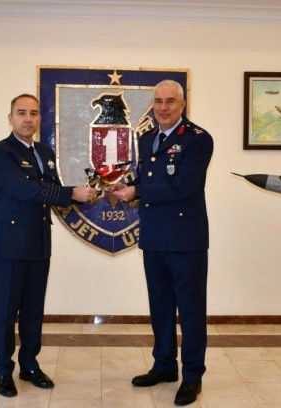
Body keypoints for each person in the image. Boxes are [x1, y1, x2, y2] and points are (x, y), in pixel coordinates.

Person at [108, 80, 213, 406]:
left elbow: (183, 186)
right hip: (153, 237)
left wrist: (138, 191)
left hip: (185, 239)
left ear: (182, 104)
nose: (163, 108)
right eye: (158, 101)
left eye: (170, 101)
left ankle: (192, 376)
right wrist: (126, 185)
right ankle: (165, 365)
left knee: (191, 310)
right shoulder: (147, 138)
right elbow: (148, 178)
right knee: (161, 307)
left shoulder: (198, 139)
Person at [0, 94, 97, 397]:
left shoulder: (44, 152)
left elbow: (51, 188)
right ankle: (3, 371)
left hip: (38, 242)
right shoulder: (0, 153)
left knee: (33, 310)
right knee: (6, 312)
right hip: (9, 244)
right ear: (10, 118)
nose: (28, 119)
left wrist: (87, 190)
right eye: (21, 113)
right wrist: (71, 194)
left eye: (34, 113)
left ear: (39, 119)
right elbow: (25, 190)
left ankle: (30, 365)